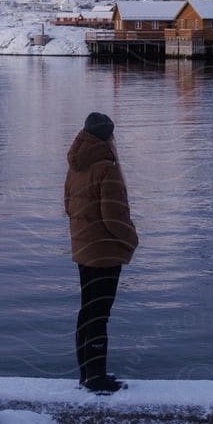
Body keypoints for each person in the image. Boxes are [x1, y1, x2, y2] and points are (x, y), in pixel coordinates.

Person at [63, 111, 138, 394]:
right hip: (104, 251)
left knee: (87, 310)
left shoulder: (75, 165)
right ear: (108, 136)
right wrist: (132, 238)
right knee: (100, 314)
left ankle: (87, 373)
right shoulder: (107, 167)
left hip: (83, 248)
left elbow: (69, 206)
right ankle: (97, 379)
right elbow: (114, 216)